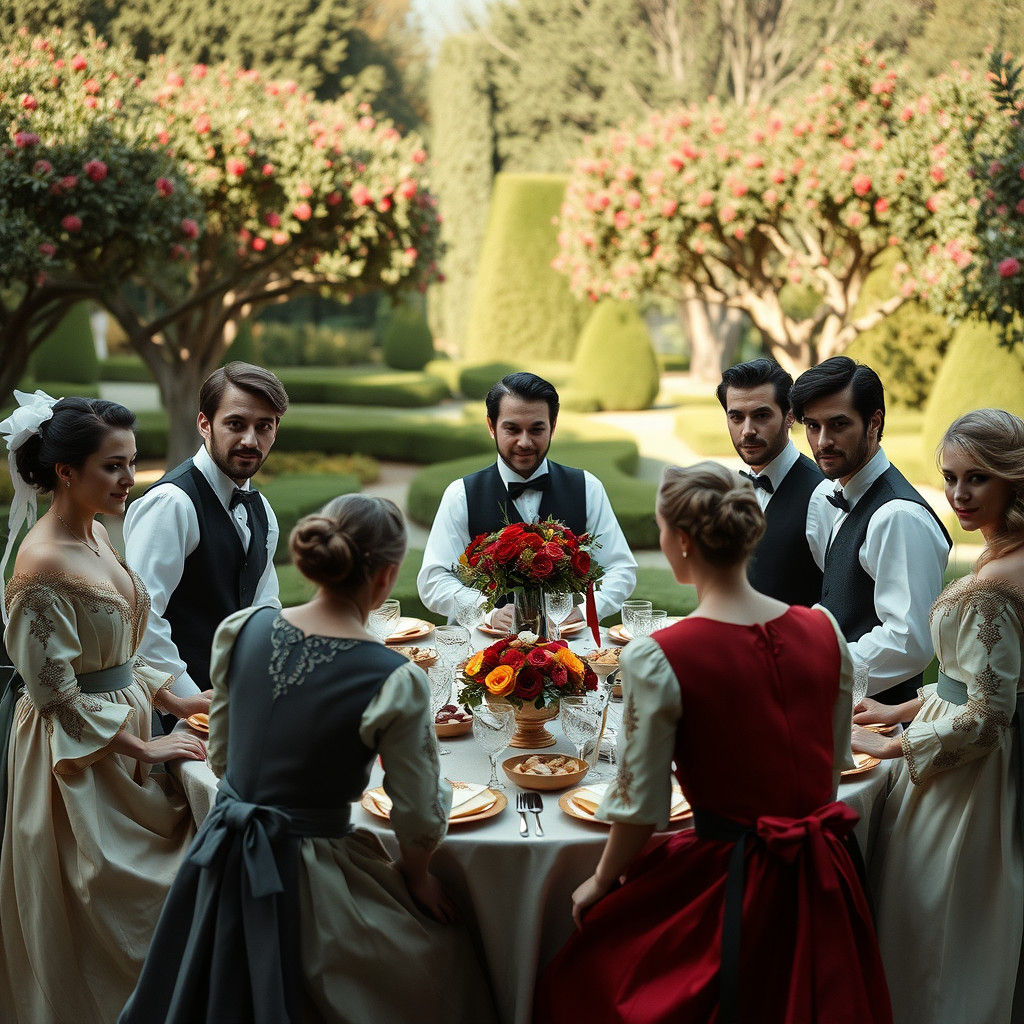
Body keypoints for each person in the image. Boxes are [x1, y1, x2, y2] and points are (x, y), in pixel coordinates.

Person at [534, 462, 891, 1024]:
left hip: (732, 877)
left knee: (582, 978)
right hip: (825, 872)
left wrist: (601, 882)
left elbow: (640, 805)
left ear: (678, 542)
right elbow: (829, 770)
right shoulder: (825, 634)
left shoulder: (659, 656)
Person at [120, 494, 497, 1024]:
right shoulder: (393, 676)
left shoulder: (242, 630)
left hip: (223, 853)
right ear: (387, 577)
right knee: (443, 960)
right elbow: (417, 811)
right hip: (312, 874)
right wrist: (418, 877)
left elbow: (224, 758)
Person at [0, 393, 206, 1024]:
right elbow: (56, 692)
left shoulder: (92, 532)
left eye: (132, 463)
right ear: (66, 472)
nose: (129, 480)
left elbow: (111, 650)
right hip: (75, 763)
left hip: (121, 736)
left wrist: (171, 695)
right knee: (112, 912)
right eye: (113, 466)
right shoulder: (39, 567)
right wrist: (144, 745)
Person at [852, 409, 1024, 1024]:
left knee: (933, 927)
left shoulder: (996, 583)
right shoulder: (1007, 555)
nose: (957, 495)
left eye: (977, 479)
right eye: (949, 477)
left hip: (967, 785)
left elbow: (987, 714)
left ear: (1013, 479)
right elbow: (971, 679)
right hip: (968, 758)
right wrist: (897, 707)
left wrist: (893, 746)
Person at [417, 371, 637, 630]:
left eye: (536, 429)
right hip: (481, 648)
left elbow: (621, 568)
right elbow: (433, 580)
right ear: (491, 426)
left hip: (569, 645)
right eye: (512, 429)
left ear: (553, 427)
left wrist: (586, 610)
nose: (524, 441)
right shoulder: (460, 494)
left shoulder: (588, 487)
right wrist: (484, 610)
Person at [124, 362, 288, 709]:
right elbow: (140, 620)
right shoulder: (172, 504)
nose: (250, 440)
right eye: (235, 424)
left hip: (237, 704)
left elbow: (265, 609)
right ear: (204, 424)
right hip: (172, 715)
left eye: (264, 427)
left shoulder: (262, 509)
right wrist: (191, 701)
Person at [791, 356, 950, 705]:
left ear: (874, 422)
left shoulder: (898, 516)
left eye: (838, 425)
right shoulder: (833, 495)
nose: (822, 441)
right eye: (812, 426)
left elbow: (909, 641)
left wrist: (814, 667)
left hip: (884, 724)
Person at [716, 358, 823, 606]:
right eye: (736, 417)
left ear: (790, 416)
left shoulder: (822, 494)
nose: (747, 430)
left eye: (761, 415)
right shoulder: (728, 488)